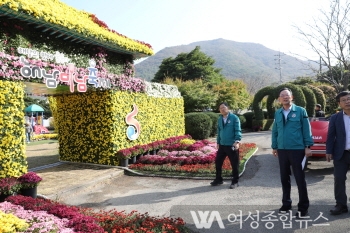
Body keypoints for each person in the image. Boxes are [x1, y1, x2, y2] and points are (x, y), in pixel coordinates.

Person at [271, 87, 313, 218]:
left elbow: (307, 129)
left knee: (300, 179)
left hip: (297, 149)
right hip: (282, 150)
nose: (285, 97)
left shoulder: (300, 111)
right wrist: (274, 146)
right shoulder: (278, 113)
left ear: (292, 97)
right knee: (284, 178)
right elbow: (275, 131)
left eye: (287, 95)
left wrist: (308, 146)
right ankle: (286, 203)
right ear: (279, 99)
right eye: (282, 95)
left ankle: (303, 207)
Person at [326, 91, 350, 215]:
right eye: (344, 100)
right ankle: (341, 205)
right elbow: (331, 135)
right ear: (339, 104)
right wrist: (329, 151)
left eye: (349, 99)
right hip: (341, 154)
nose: (347, 102)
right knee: (339, 179)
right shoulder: (335, 117)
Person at [210, 102, 242, 189]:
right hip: (222, 145)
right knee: (218, 162)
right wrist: (218, 142)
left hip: (232, 145)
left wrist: (237, 141)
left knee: (234, 164)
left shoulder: (234, 118)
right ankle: (218, 179)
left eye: (224, 107)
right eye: (220, 108)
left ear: (228, 108)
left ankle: (235, 181)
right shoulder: (220, 119)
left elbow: (238, 130)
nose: (222, 109)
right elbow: (219, 131)